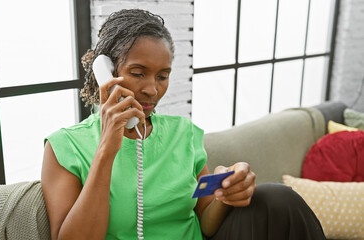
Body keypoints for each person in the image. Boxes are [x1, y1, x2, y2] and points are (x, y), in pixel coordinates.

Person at [41, 9, 326, 240]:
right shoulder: (65, 147)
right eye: (138, 73)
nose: (152, 89)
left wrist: (225, 195)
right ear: (107, 72)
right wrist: (106, 150)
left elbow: (206, 224)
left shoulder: (183, 133)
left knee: (276, 198)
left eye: (162, 76)